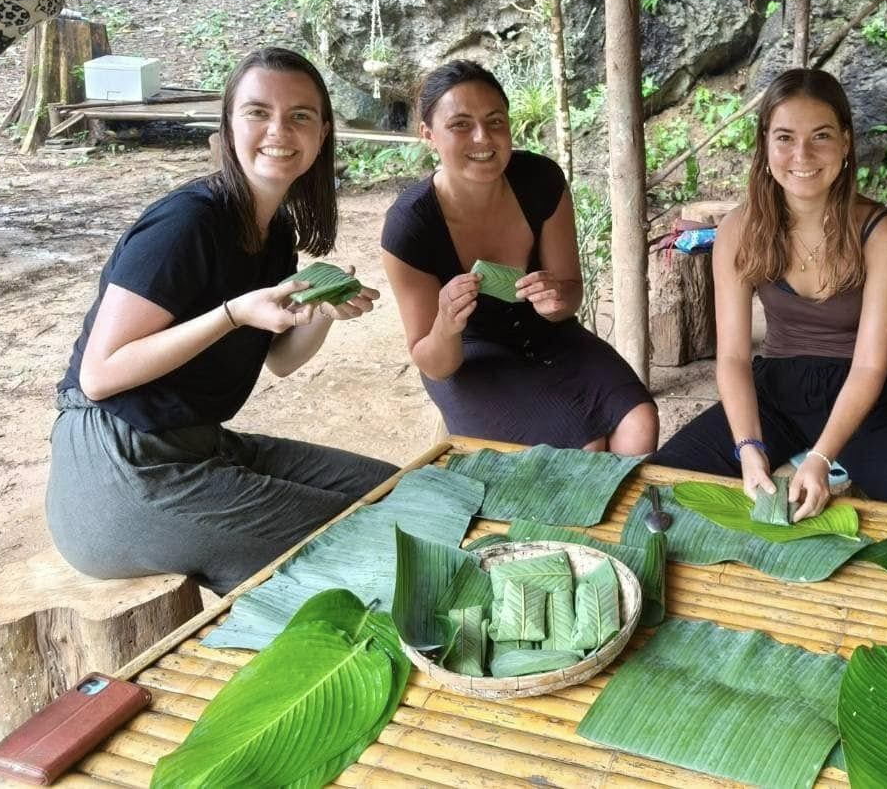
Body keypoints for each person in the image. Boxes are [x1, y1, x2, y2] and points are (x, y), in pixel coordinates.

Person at [47, 47, 396, 594]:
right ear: (229, 123)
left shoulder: (274, 232)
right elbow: (100, 374)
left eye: (300, 115)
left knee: (399, 492)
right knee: (372, 532)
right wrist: (231, 315)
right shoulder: (185, 224)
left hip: (197, 444)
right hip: (119, 467)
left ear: (323, 132)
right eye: (258, 111)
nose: (279, 129)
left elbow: (280, 360)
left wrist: (322, 314)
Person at [652, 68, 887, 518]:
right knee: (661, 485)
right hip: (778, 391)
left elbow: (870, 363)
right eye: (785, 137)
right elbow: (731, 357)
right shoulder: (739, 230)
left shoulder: (882, 235)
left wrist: (821, 459)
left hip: (867, 399)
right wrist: (748, 448)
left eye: (821, 136)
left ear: (846, 142)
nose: (802, 154)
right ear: (765, 143)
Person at [380, 60, 657, 453]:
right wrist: (446, 322)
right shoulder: (410, 226)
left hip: (548, 334)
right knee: (583, 450)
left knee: (640, 423)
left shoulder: (540, 180)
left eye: (495, 121)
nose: (483, 138)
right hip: (467, 356)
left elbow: (569, 295)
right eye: (460, 124)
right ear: (429, 134)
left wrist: (555, 300)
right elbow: (433, 362)